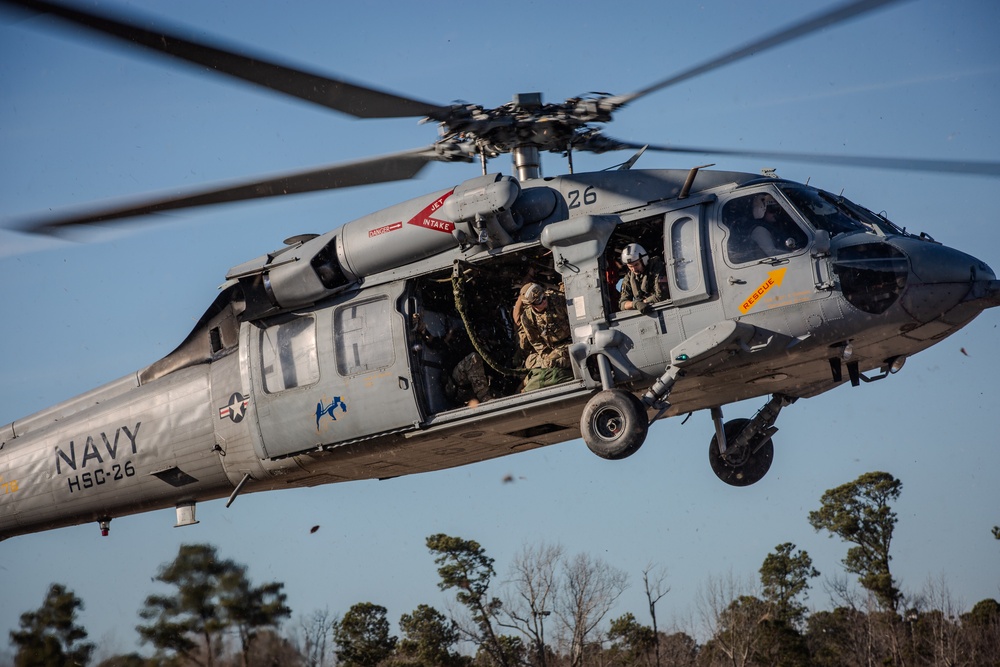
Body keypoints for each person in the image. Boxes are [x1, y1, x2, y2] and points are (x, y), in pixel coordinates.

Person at [517, 282, 573, 390]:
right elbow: (536, 341)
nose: (543, 301)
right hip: (552, 348)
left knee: (552, 362)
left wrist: (550, 359)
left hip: (570, 342)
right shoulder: (527, 318)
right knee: (530, 362)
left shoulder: (558, 300)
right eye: (538, 300)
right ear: (530, 305)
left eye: (544, 297)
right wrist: (546, 355)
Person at [618, 243, 669, 313]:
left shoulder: (657, 268)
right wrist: (635, 304)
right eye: (630, 266)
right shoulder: (629, 277)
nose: (634, 269)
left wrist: (644, 302)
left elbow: (662, 295)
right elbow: (622, 304)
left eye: (636, 264)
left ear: (644, 260)